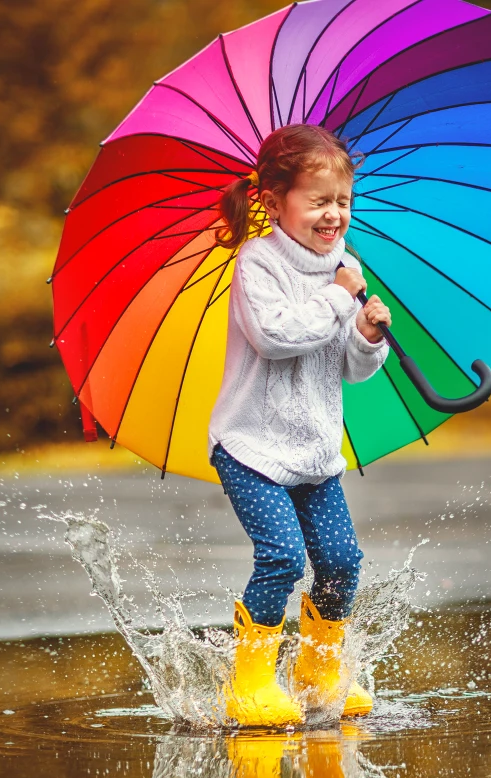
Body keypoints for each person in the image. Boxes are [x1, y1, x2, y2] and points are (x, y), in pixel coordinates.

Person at [208, 124, 391, 727]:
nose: (333, 214)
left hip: (313, 448)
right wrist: (341, 299)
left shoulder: (347, 266)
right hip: (252, 447)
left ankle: (318, 672)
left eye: (342, 200)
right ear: (273, 200)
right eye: (318, 201)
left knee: (340, 560)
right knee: (283, 557)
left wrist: (366, 338)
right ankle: (251, 682)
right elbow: (278, 338)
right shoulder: (257, 264)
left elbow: (348, 368)